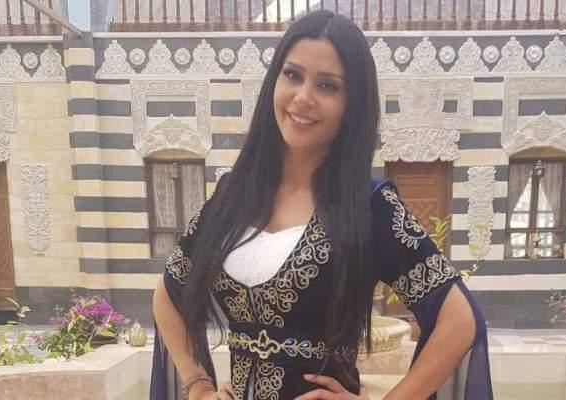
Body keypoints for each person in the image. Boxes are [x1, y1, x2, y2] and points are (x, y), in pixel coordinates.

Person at [151, 10, 493, 400]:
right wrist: (197, 385)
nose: (303, 97)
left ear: (352, 105)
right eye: (292, 75)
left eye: (328, 86)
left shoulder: (369, 207)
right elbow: (167, 295)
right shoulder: (232, 197)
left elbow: (459, 321)